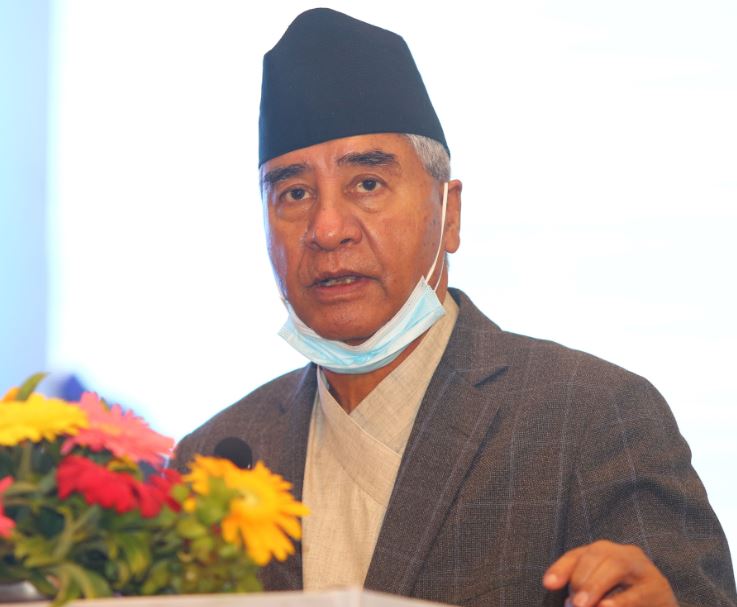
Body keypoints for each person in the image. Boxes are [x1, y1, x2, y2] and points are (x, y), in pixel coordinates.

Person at [174, 8, 737, 607]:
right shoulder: (214, 457)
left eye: (367, 183)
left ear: (450, 215)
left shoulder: (590, 418)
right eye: (294, 193)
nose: (328, 228)